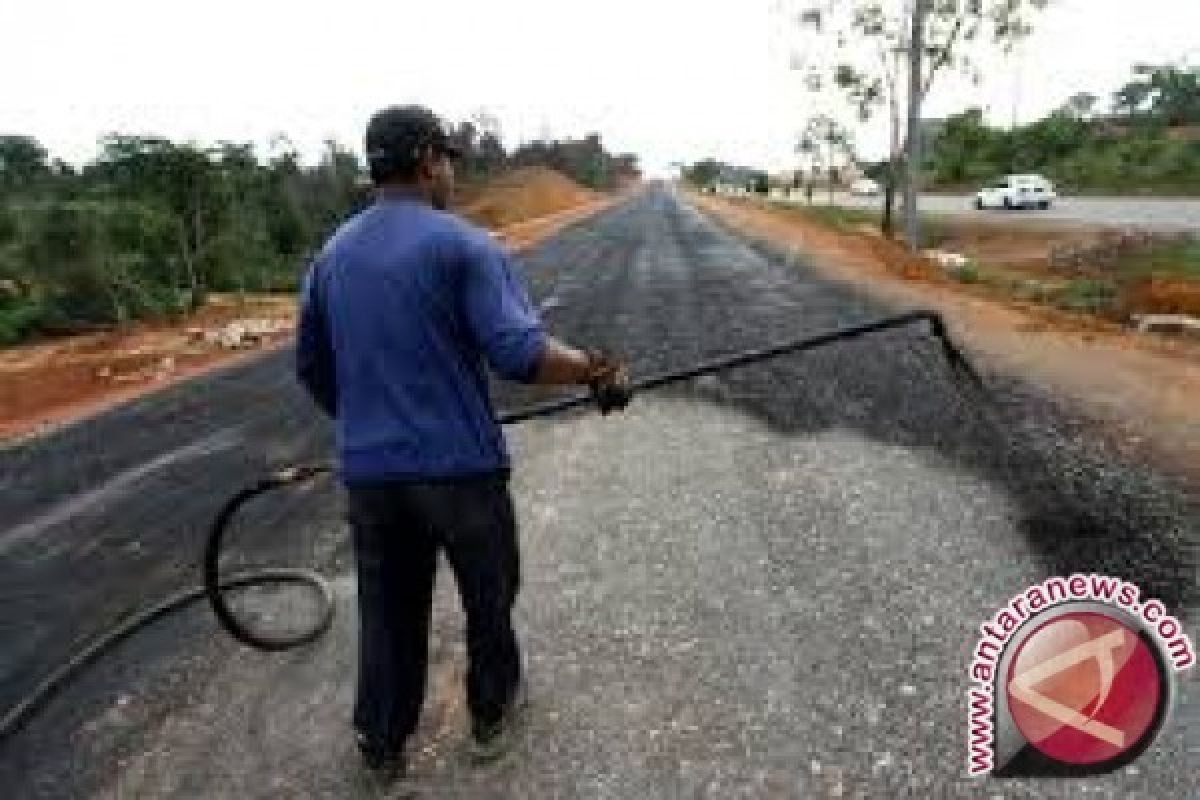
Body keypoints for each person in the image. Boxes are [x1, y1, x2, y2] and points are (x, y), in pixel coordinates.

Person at [295, 105, 631, 778]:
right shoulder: (463, 245)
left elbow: (313, 368)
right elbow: (518, 353)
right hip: (460, 472)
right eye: (446, 157)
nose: (451, 170)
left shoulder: (331, 256)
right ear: (425, 160)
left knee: (388, 610)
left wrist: (366, 427)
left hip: (373, 478)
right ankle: (491, 712)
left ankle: (382, 745)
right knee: (488, 594)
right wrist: (596, 370)